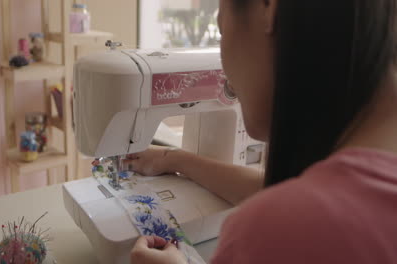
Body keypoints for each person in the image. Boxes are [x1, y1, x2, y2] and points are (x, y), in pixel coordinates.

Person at [127, 0, 397, 263]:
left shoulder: (277, 230)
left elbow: (289, 213)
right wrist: (173, 159)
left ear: (268, 7)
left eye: (221, 29)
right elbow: (271, 187)